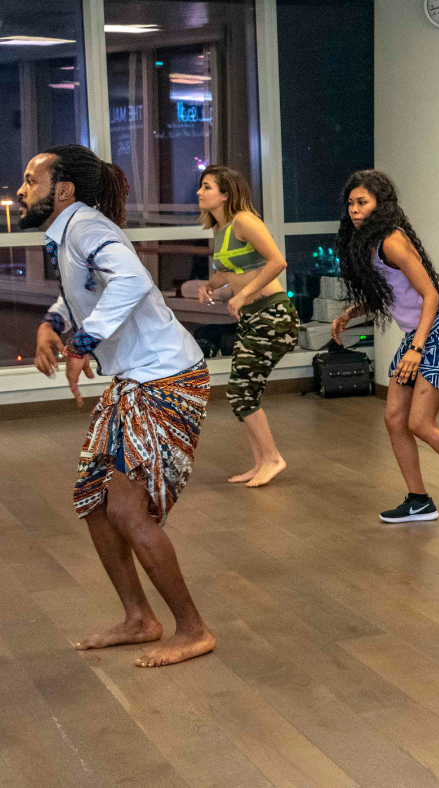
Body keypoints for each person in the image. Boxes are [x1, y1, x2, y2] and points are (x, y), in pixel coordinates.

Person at [27, 144, 214, 666]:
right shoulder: (70, 234)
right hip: (135, 380)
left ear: (62, 190)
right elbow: (82, 291)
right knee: (95, 502)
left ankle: (193, 629)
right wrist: (53, 322)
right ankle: (139, 618)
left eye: (31, 180)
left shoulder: (86, 228)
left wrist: (82, 343)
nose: (21, 190)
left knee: (129, 511)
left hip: (166, 378)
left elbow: (131, 279)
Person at [331, 169, 439, 525]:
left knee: (420, 422)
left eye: (362, 202)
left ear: (381, 204)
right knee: (395, 418)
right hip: (421, 332)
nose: (354, 209)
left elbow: (429, 295)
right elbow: (396, 292)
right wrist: (354, 310)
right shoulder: (370, 242)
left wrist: (417, 348)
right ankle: (418, 500)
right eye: (351, 203)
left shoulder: (392, 240)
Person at [196, 165, 299, 487]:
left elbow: (278, 262)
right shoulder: (221, 228)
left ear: (226, 193)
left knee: (242, 391)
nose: (199, 192)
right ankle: (261, 462)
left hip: (273, 315)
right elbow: (230, 269)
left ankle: (272, 459)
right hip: (255, 318)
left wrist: (244, 296)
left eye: (207, 186)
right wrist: (211, 285)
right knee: (241, 393)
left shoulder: (244, 221)